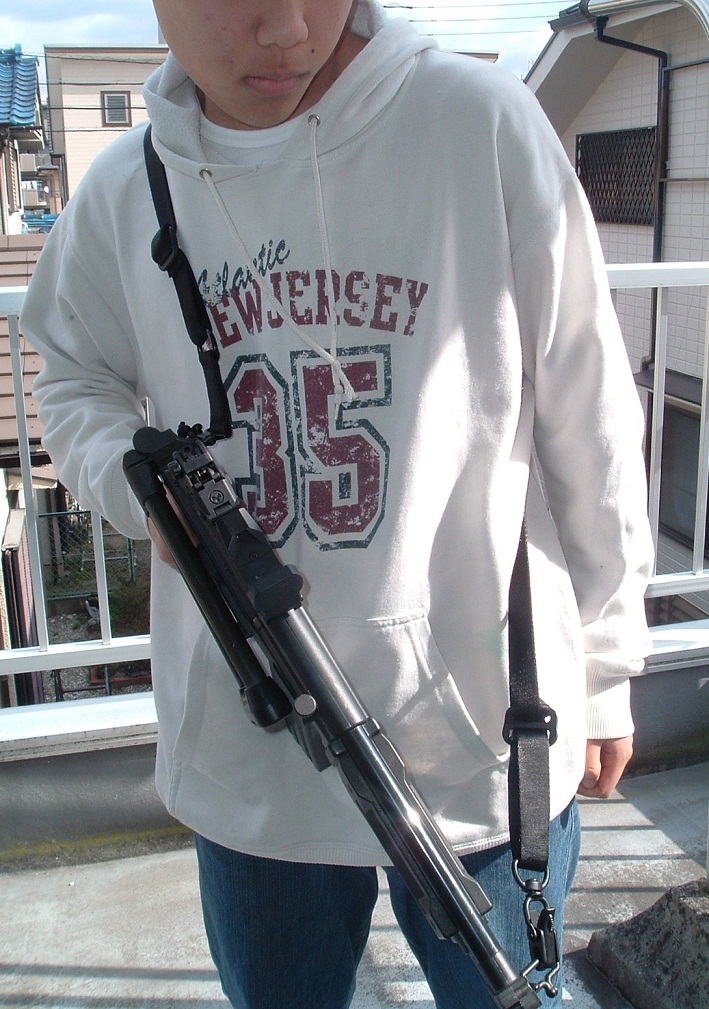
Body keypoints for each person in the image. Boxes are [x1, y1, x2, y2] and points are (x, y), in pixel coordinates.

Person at [21, 1, 655, 1006]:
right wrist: (139, 491)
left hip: (487, 733)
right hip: (251, 750)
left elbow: (590, 411)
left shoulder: (476, 125)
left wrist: (610, 665)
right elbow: (71, 373)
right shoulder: (125, 186)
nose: (285, 28)